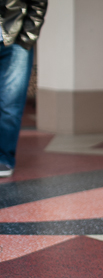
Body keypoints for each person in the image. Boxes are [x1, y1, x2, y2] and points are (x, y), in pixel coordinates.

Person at [0, 0, 48, 178]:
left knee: (10, 102)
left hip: (14, 39)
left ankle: (3, 157)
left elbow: (38, 3)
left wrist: (27, 38)